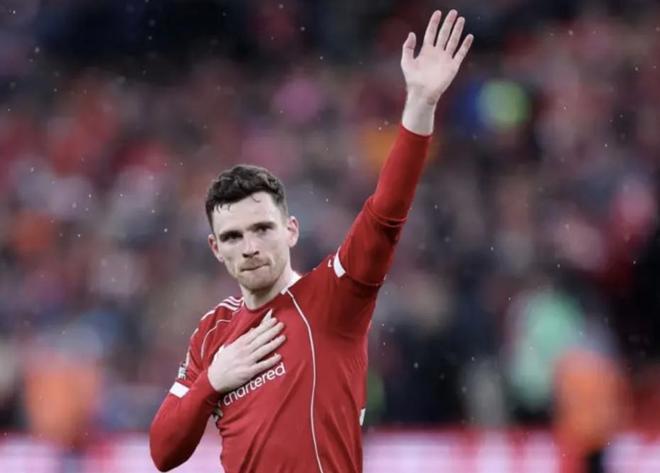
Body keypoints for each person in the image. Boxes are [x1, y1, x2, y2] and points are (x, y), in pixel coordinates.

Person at [149, 10, 473, 472]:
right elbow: (163, 452)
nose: (249, 246)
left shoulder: (334, 298)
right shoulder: (212, 333)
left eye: (262, 229)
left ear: (291, 230)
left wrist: (420, 104)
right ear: (216, 249)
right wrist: (213, 381)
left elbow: (385, 214)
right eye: (233, 236)